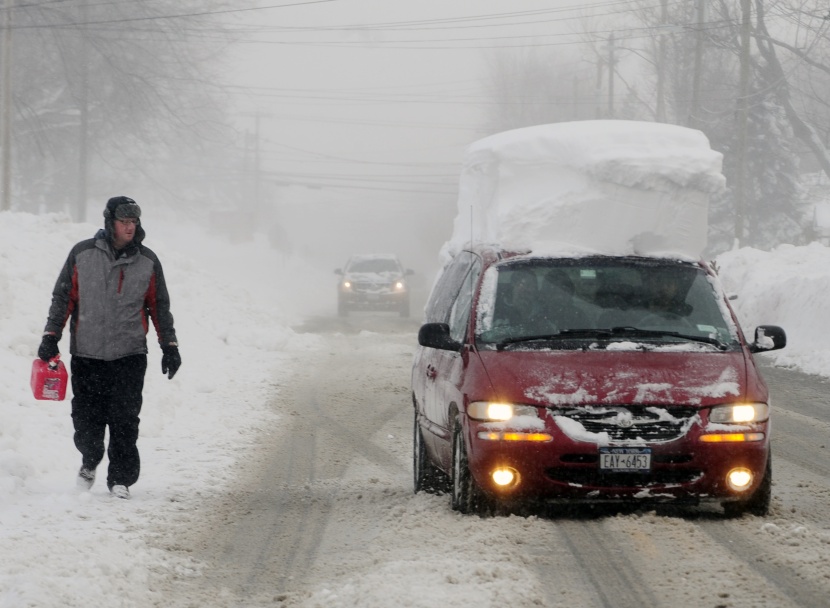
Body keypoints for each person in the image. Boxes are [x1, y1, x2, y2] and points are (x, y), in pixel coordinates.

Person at [37, 196, 181, 500]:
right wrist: (51, 335)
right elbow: (63, 298)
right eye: (124, 221)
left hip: (129, 354)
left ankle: (120, 479)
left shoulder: (147, 261)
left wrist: (169, 345)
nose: (130, 227)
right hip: (87, 354)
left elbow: (159, 306)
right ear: (110, 222)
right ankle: (90, 460)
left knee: (125, 419)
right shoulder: (82, 254)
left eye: (134, 222)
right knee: (86, 417)